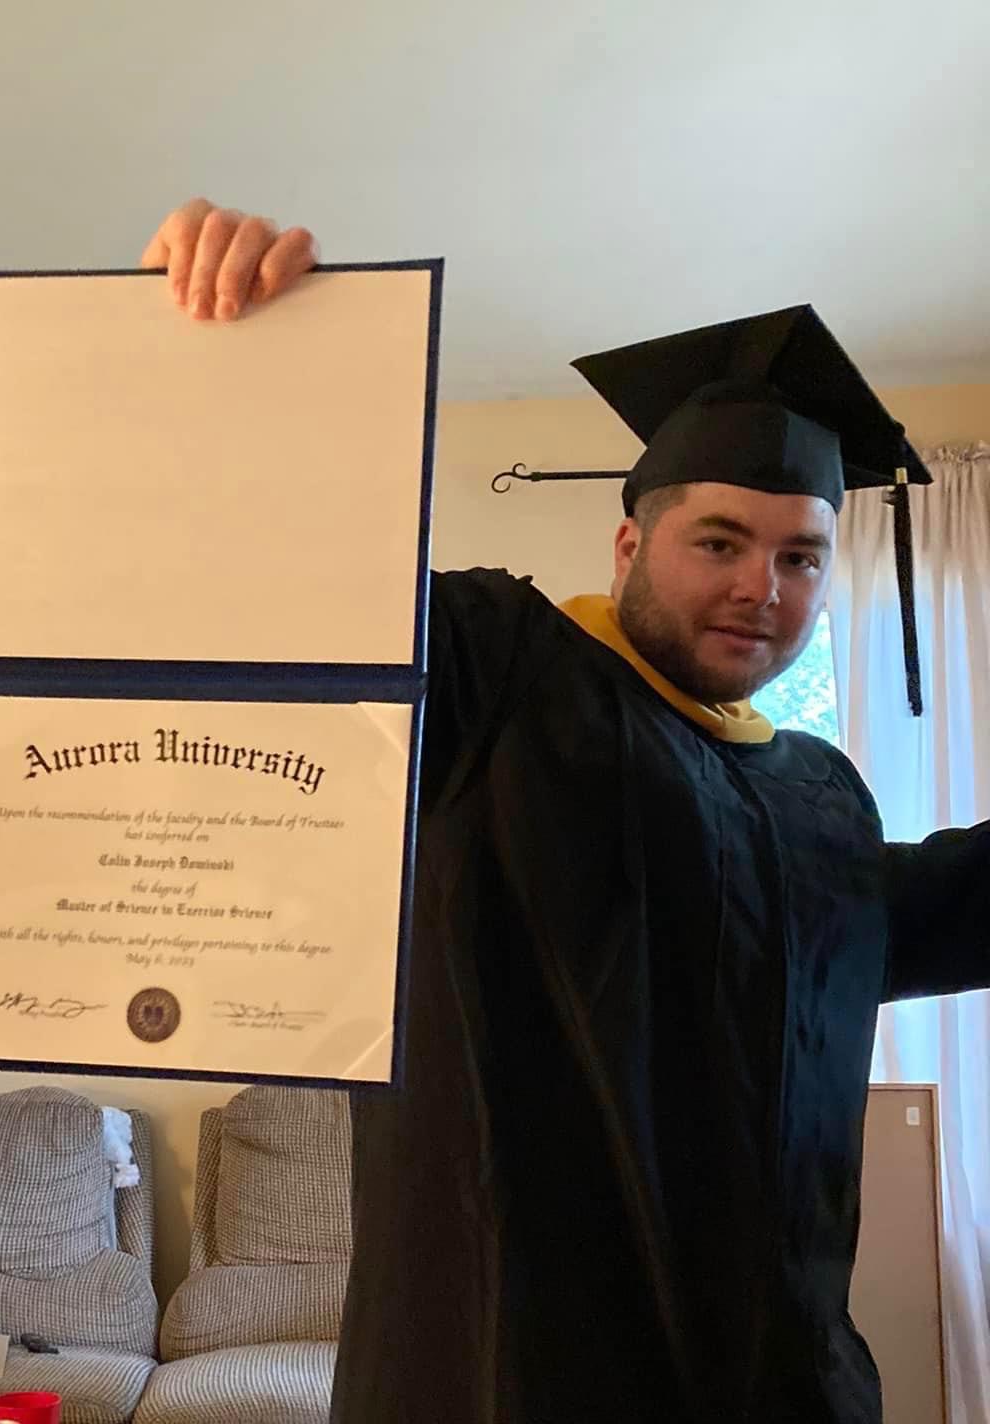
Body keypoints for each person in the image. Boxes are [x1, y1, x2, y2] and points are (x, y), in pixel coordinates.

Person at [141, 199, 990, 1423]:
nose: (760, 586)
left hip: (784, 1389)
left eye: (798, 556)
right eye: (718, 541)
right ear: (628, 545)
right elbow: (293, 581)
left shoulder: (816, 798)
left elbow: (918, 911)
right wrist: (233, 369)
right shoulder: (498, 679)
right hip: (507, 1383)